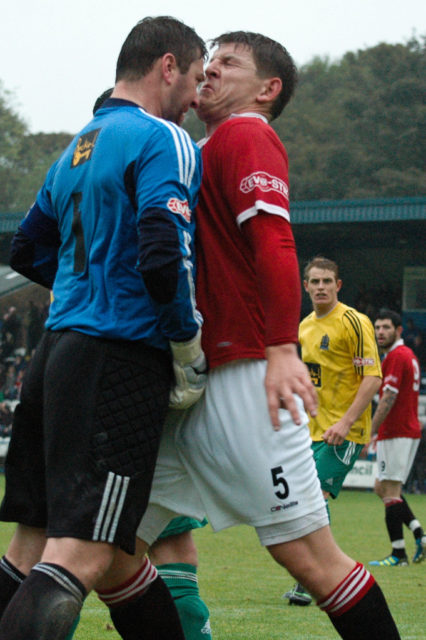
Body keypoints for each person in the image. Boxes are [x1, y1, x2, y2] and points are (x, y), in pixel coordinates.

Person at [102, 31, 401, 640]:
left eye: (228, 64)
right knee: (109, 553)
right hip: (186, 381)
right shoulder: (190, 149)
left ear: (269, 90)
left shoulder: (247, 134)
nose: (209, 72)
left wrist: (281, 348)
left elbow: (274, 239)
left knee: (310, 561)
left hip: (242, 377)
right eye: (206, 63)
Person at [0, 15, 207, 640]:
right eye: (196, 77)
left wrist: (81, 286)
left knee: (34, 548)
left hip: (57, 352)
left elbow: (26, 249)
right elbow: (162, 247)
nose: (198, 96)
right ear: (167, 66)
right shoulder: (164, 138)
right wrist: (184, 343)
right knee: (82, 552)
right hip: (118, 361)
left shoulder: (76, 145)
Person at [283, 256, 382, 605]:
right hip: (311, 431)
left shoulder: (355, 322)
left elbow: (372, 378)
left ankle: (316, 579)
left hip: (345, 433)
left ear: (338, 285)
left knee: (312, 499)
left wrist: (345, 422)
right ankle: (316, 575)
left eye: (327, 281)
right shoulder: (305, 326)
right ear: (306, 286)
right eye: (315, 281)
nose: (321, 287)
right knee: (299, 500)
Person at [369, 309, 425, 566]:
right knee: (382, 488)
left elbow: (388, 398)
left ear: (399, 330)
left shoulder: (396, 356)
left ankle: (398, 554)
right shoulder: (406, 355)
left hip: (397, 431)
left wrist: (370, 430)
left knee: (390, 492)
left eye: (386, 327)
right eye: (377, 327)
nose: (380, 332)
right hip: (401, 430)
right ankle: (419, 535)